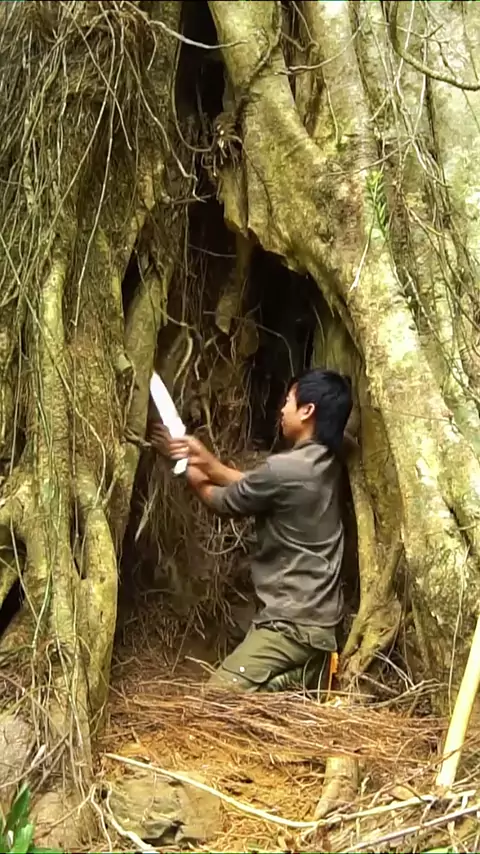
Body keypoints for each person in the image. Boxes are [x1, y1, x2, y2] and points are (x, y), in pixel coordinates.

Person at [149, 368, 354, 693]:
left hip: (290, 625)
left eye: (288, 401)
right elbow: (261, 484)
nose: (282, 409)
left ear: (307, 410)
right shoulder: (330, 458)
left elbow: (219, 501)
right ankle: (307, 672)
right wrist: (209, 462)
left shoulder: (284, 470)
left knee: (214, 699)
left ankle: (304, 677)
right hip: (321, 623)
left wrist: (185, 465)